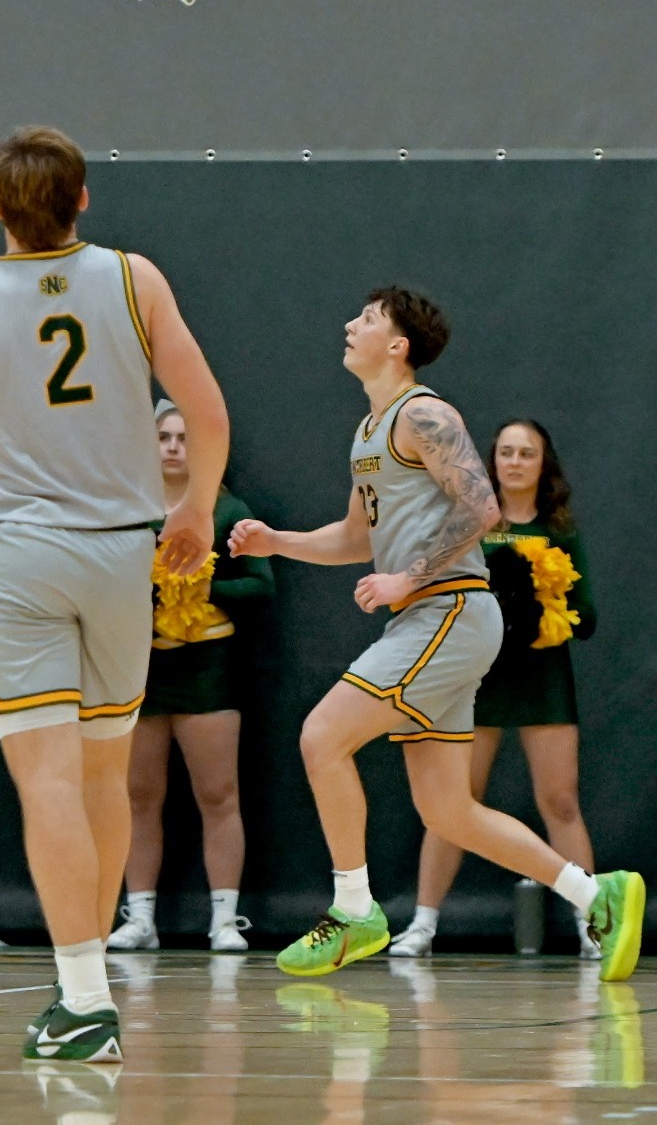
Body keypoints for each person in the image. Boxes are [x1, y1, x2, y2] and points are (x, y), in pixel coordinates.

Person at [0, 126, 231, 1063]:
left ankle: (84, 994)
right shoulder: (136, 279)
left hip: (21, 556)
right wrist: (198, 511)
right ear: (84, 198)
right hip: (121, 555)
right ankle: (88, 988)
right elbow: (208, 409)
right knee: (103, 775)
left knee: (50, 780)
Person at [229, 289, 642, 983]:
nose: (348, 323)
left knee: (321, 736)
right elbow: (356, 538)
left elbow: (481, 506)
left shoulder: (424, 412)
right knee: (448, 809)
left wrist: (411, 576)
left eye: (365, 318)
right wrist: (276, 540)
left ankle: (355, 908)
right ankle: (595, 892)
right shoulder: (368, 430)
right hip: (432, 615)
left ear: (398, 344)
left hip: (449, 610)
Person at [389, 419, 602, 959]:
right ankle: (423, 924)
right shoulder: (470, 523)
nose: (514, 461)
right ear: (492, 461)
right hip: (476, 675)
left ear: (542, 463)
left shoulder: (561, 532)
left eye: (525, 453)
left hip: (542, 678)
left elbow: (588, 617)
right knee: (452, 803)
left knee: (560, 799)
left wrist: (547, 605)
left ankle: (592, 923)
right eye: (505, 451)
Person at [109, 401, 273, 953]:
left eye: (185, 436)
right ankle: (140, 919)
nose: (175, 446)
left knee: (218, 793)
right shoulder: (127, 510)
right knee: (138, 795)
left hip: (208, 668)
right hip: (142, 668)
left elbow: (261, 585)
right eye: (164, 436)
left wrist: (208, 591)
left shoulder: (226, 511)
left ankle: (225, 919)